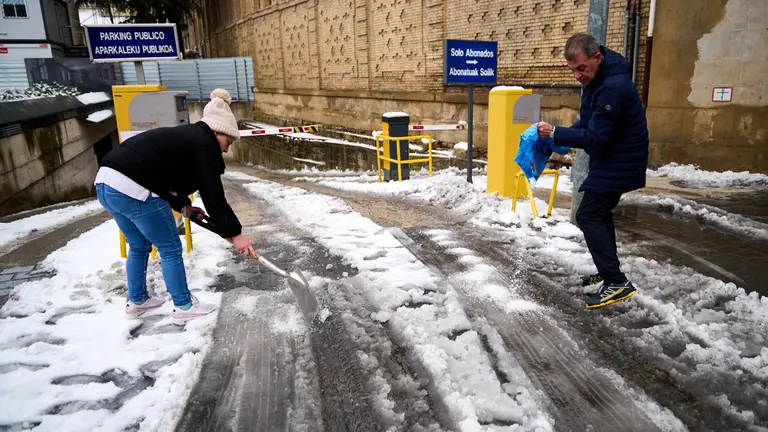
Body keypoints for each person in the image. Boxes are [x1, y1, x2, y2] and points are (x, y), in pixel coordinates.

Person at [94, 88, 256, 325]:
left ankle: (137, 301)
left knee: (139, 245)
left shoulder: (187, 137)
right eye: (228, 141)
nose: (226, 149)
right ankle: (184, 306)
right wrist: (236, 234)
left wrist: (184, 207)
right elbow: (214, 197)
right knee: (169, 248)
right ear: (217, 131)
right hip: (133, 188)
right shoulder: (205, 145)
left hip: (105, 183)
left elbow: (163, 177)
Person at [537, 33, 649, 309]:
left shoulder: (612, 87)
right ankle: (608, 268)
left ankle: (616, 281)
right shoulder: (596, 81)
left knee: (588, 215)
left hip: (620, 160)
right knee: (597, 213)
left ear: (597, 58)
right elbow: (588, 124)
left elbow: (597, 137)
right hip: (612, 159)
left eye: (582, 68)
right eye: (573, 69)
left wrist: (555, 131)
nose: (577, 75)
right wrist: (558, 137)